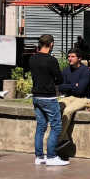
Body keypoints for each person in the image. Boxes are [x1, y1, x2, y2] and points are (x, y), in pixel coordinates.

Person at [29, 34, 68, 166]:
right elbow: (60, 79)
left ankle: (39, 157)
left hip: (36, 96)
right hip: (48, 97)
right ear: (51, 44)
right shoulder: (51, 60)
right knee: (56, 126)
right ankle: (51, 156)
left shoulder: (32, 59)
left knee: (41, 126)